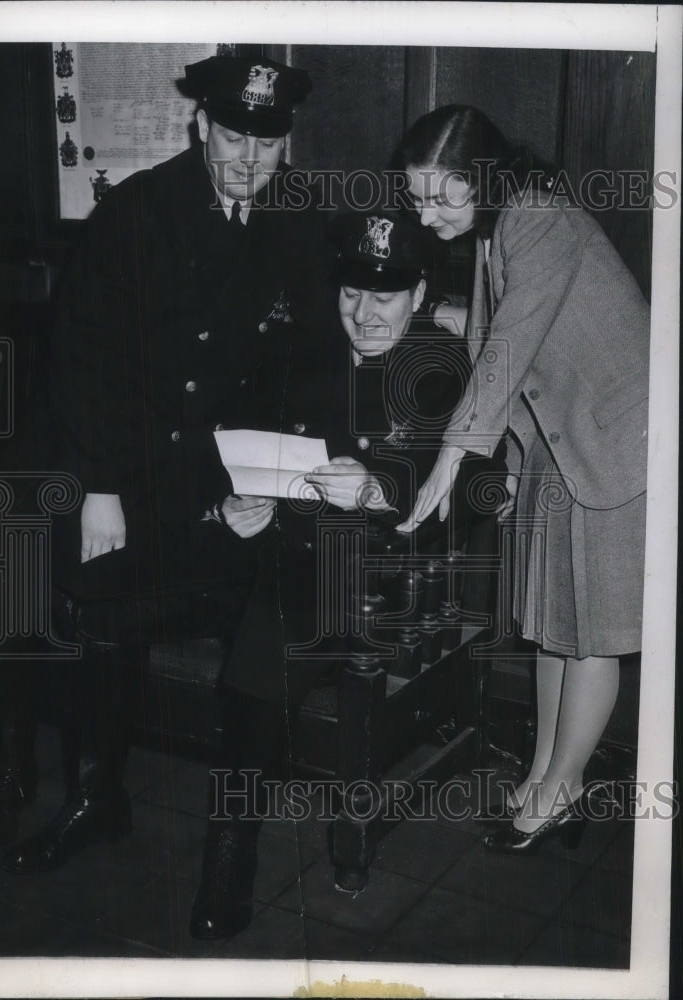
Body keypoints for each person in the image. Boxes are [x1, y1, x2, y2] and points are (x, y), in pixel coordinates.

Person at [0, 54, 327, 873]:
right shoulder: (139, 212)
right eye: (233, 135)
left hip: (225, 478)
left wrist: (270, 483)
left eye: (266, 144)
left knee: (268, 602)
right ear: (200, 124)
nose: (248, 159)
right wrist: (100, 487)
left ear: (288, 143)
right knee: (46, 579)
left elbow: (303, 365)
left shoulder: (299, 219)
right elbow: (83, 361)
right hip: (118, 460)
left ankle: (220, 843)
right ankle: (78, 791)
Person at [189, 210, 503, 939]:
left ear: (420, 291)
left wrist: (381, 489)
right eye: (350, 294)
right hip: (294, 557)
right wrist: (242, 499)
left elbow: (479, 491)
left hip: (394, 573)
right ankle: (230, 850)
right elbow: (235, 433)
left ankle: (235, 842)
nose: (363, 314)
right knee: (254, 657)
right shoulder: (302, 349)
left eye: (384, 297)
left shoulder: (448, 367)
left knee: (270, 638)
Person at [395, 105, 649, 853]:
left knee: (592, 633)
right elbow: (486, 340)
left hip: (616, 445)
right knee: (549, 626)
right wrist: (502, 465)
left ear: (484, 178)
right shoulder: (493, 227)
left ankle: (562, 788)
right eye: (415, 198)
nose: (425, 212)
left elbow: (508, 347)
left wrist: (453, 457)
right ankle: (543, 771)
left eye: (441, 196)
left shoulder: (538, 217)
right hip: (553, 443)